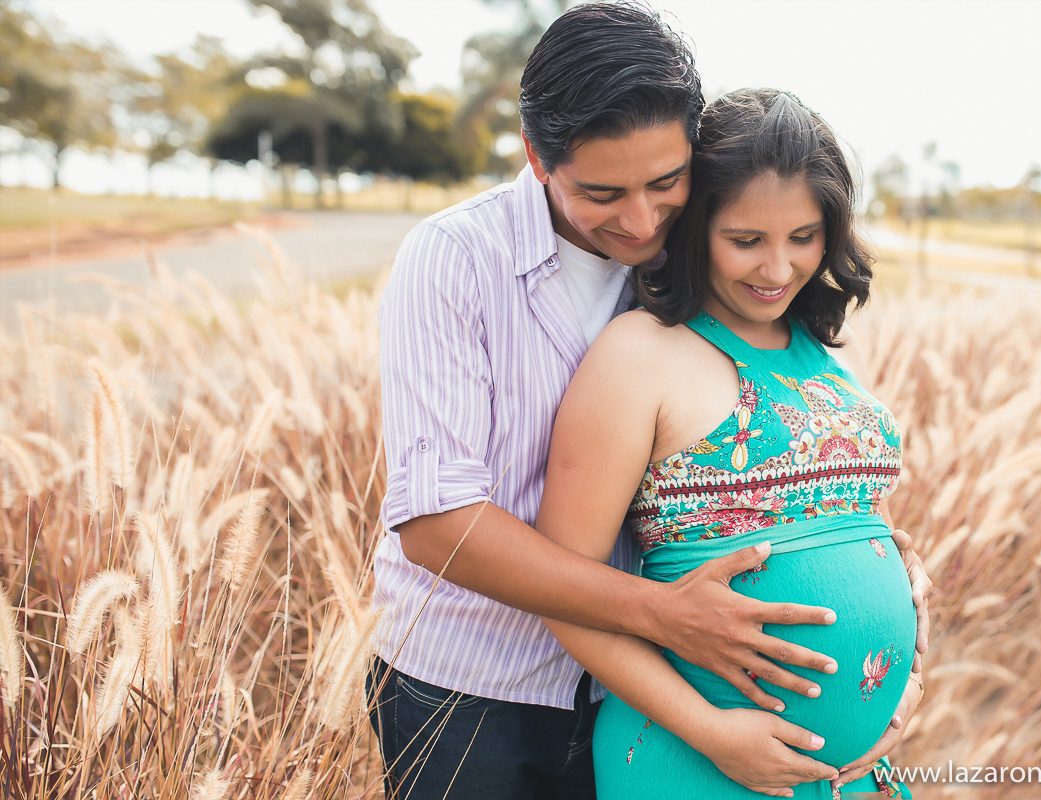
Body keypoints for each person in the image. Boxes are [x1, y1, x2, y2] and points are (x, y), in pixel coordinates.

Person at [368, 5, 931, 798]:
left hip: (636, 691)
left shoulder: (703, 256)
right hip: (473, 688)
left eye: (666, 184)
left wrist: (870, 557)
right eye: (603, 192)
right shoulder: (455, 259)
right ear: (536, 157)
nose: (640, 222)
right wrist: (658, 613)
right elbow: (435, 522)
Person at [535, 88, 920, 799]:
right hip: (697, 760)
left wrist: (906, 648)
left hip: (849, 772)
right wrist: (713, 733)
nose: (777, 270)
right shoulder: (639, 355)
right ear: (695, 227)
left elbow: (855, 521)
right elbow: (563, 589)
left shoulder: (828, 350)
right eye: (746, 240)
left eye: (803, 237)